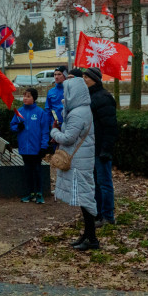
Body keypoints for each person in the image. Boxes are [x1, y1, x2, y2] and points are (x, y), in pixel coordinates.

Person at [51, 76, 98, 250]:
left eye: (66, 92)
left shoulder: (78, 113)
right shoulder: (81, 110)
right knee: (84, 198)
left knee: (85, 199)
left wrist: (54, 132)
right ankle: (87, 235)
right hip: (81, 160)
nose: (64, 95)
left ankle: (92, 239)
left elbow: (68, 138)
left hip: (78, 162)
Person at [83, 67, 118, 227]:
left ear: (95, 79)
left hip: (100, 149)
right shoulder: (89, 97)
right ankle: (97, 214)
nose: (84, 79)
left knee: (104, 183)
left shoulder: (103, 97)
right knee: (95, 184)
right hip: (91, 148)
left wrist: (106, 150)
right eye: (83, 76)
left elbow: (110, 127)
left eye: (87, 77)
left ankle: (108, 216)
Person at [10, 88, 51, 203]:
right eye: (24, 96)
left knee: (37, 170)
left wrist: (44, 146)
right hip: (24, 148)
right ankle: (30, 193)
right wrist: (18, 127)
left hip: (36, 148)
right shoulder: (19, 111)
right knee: (27, 171)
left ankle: (39, 193)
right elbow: (12, 126)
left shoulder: (40, 112)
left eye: (28, 96)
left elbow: (45, 131)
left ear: (34, 98)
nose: (25, 98)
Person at [45, 66, 67, 135]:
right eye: (55, 74)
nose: (56, 77)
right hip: (55, 126)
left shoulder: (70, 90)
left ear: (65, 75)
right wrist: (48, 126)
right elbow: (48, 110)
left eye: (59, 74)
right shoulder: (51, 92)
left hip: (68, 125)